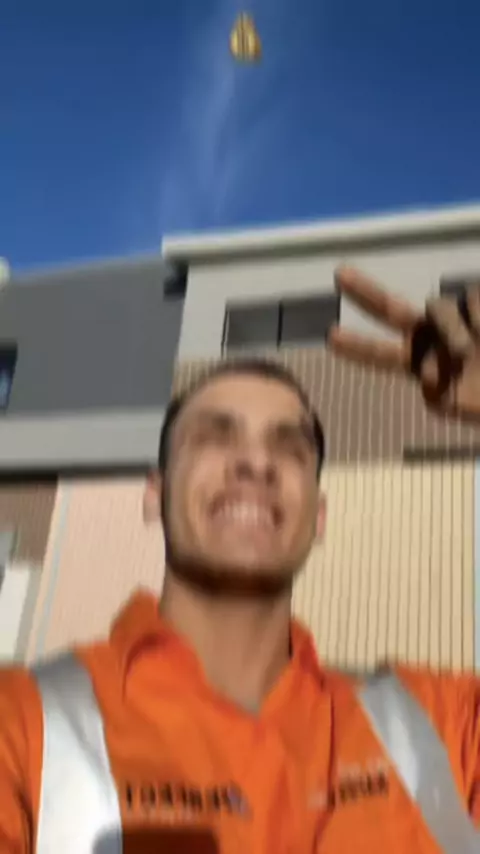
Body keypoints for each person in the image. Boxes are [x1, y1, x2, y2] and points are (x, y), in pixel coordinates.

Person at [0, 267, 479, 854]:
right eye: (214, 437)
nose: (256, 463)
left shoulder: (443, 726)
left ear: (319, 516)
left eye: (290, 447)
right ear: (154, 494)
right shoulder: (20, 724)